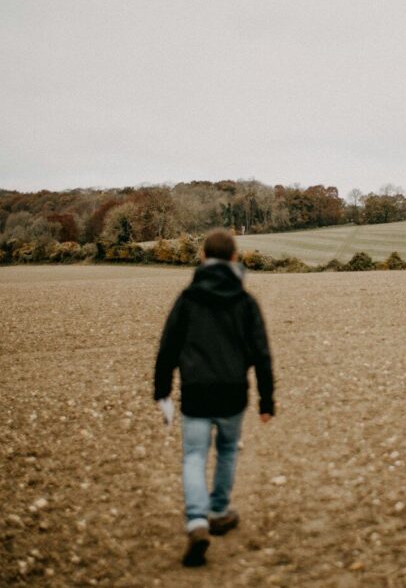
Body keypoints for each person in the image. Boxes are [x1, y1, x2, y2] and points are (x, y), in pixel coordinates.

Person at [153, 229, 276, 567]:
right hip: (233, 392)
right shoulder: (245, 302)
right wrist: (267, 401)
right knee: (227, 450)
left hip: (196, 392)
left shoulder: (188, 299)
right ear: (234, 258)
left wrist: (162, 391)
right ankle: (219, 511)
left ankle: (197, 521)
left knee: (194, 455)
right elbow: (262, 354)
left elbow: (168, 347)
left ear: (203, 257)